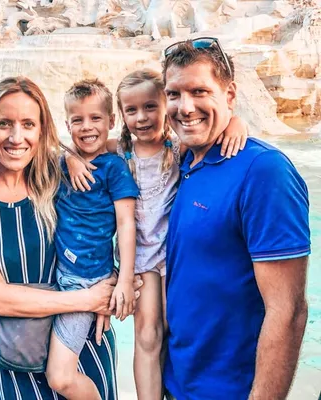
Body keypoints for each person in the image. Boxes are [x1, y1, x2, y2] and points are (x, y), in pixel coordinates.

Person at [0, 76, 141, 400]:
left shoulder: (57, 176)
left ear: (42, 130)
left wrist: (115, 277)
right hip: (13, 356)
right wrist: (90, 299)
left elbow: (134, 161)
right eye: (4, 124)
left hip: (82, 347)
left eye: (28, 124)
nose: (16, 137)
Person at [67, 69, 248, 400]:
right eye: (132, 110)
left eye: (150, 106)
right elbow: (79, 144)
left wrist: (236, 123)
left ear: (166, 105)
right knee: (148, 334)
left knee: (177, 328)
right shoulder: (119, 151)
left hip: (176, 256)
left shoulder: (177, 148)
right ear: (120, 116)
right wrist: (70, 158)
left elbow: (218, 130)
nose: (142, 117)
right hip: (142, 260)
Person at [163, 38, 310, 399]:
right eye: (174, 94)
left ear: (229, 95)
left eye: (199, 91)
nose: (185, 107)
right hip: (177, 384)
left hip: (231, 390)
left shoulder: (264, 171)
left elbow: (288, 311)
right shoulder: (180, 164)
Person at [44, 79, 139, 399]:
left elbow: (127, 223)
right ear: (67, 124)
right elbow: (39, 141)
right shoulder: (61, 162)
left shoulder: (114, 168)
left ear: (112, 121)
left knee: (59, 377)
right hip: (59, 276)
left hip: (85, 281)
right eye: (78, 120)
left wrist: (124, 280)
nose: (87, 127)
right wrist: (69, 154)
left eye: (95, 118)